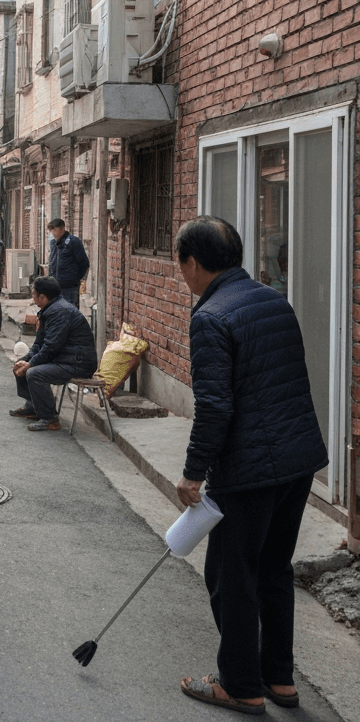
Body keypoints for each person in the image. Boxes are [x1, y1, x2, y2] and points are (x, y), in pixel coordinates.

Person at [174, 216, 327, 715]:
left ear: (193, 263)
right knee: (273, 570)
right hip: (298, 459)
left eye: (182, 265)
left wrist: (194, 472)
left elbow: (215, 407)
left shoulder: (211, 316)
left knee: (230, 574)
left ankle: (239, 684)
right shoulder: (272, 300)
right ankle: (278, 679)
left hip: (251, 470)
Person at [11, 275, 96, 432]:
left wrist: (31, 364)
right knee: (20, 364)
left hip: (77, 363)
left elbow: (51, 347)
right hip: (64, 359)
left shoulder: (60, 312)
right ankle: (33, 407)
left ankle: (50, 419)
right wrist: (27, 360)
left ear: (42, 297)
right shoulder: (50, 309)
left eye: (33, 294)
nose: (32, 297)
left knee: (34, 373)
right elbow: (39, 343)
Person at [46, 218, 90, 306]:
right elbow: (52, 261)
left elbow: (84, 263)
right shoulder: (53, 243)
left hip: (69, 287)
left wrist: (76, 278)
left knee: (69, 313)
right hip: (55, 286)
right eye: (51, 230)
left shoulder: (73, 242)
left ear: (62, 228)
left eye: (54, 229)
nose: (53, 233)